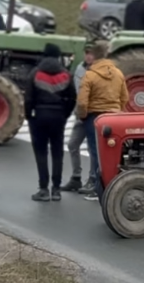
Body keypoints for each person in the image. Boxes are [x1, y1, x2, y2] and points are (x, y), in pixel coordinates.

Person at [75, 39, 129, 197]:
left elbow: (82, 101)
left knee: (95, 151)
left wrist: (83, 116)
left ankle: (96, 185)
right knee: (112, 152)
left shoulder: (90, 75)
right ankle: (111, 183)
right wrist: (118, 110)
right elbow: (125, 97)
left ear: (94, 55)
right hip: (113, 116)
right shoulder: (118, 74)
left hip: (95, 117)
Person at [25, 42, 76, 202]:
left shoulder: (35, 73)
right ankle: (56, 189)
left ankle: (43, 189)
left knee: (41, 153)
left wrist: (29, 116)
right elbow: (73, 98)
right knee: (57, 153)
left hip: (39, 116)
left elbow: (28, 99)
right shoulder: (66, 74)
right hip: (58, 117)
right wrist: (65, 114)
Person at [60, 43, 95, 193]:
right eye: (86, 52)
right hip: (80, 115)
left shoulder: (99, 71)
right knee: (72, 144)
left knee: (93, 149)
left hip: (93, 114)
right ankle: (76, 177)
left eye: (91, 53)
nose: (88, 56)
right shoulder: (80, 69)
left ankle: (93, 179)